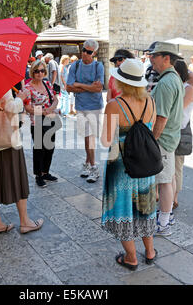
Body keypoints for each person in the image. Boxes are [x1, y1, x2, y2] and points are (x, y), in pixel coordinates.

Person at [101, 58, 157, 271]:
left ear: (121, 82)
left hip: (122, 167)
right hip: (146, 165)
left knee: (124, 210)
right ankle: (150, 252)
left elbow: (106, 141)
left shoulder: (114, 105)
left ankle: (131, 257)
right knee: (145, 208)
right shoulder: (151, 102)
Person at [0, 89, 44, 235]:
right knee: (17, 178)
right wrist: (20, 97)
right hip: (7, 139)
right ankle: (25, 221)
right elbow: (11, 108)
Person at [149, 42, 184, 236]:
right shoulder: (173, 78)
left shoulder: (166, 82)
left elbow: (161, 118)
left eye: (155, 56)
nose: (151, 59)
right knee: (168, 179)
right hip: (170, 138)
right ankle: (166, 216)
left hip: (162, 140)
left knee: (163, 182)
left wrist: (152, 141)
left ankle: (163, 223)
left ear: (167, 58)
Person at [67, 39, 104, 183]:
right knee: (87, 137)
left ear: (94, 53)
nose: (84, 53)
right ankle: (88, 164)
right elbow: (69, 87)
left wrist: (79, 85)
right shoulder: (75, 66)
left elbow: (98, 88)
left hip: (94, 106)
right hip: (81, 105)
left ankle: (93, 167)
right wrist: (89, 87)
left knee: (90, 137)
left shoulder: (98, 66)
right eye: (83, 50)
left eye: (88, 52)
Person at [24, 60, 59, 188]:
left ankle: (46, 172)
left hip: (50, 118)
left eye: (42, 71)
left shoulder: (47, 84)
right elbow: (27, 108)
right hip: (37, 121)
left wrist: (51, 108)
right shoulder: (27, 88)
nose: (40, 73)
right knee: (39, 148)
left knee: (50, 147)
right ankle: (38, 175)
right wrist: (43, 111)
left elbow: (55, 99)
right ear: (32, 72)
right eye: (37, 71)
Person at [173, 60, 193, 210]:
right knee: (170, 166)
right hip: (173, 129)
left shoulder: (187, 88)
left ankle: (174, 197)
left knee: (177, 167)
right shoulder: (179, 86)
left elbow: (178, 109)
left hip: (180, 130)